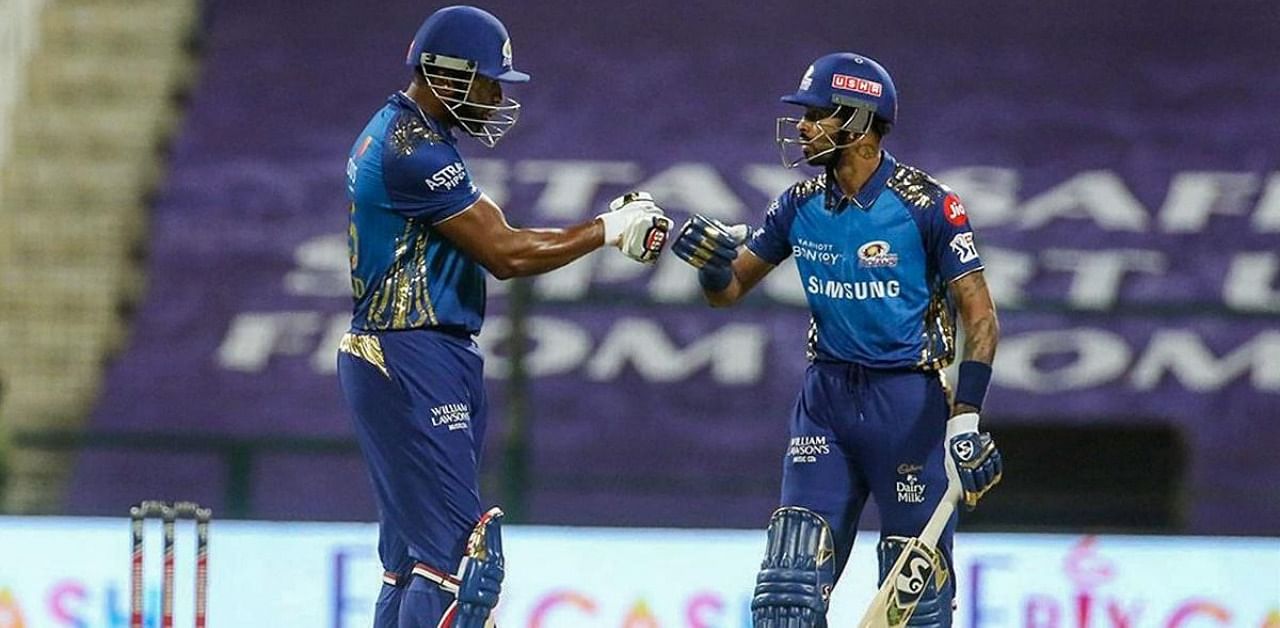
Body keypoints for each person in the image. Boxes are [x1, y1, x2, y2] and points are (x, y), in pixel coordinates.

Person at [337, 6, 671, 627]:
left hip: (397, 352)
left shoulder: (402, 132)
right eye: (490, 80)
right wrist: (608, 229)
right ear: (446, 75)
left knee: (411, 561)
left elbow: (498, 229)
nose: (497, 96)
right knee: (459, 565)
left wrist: (602, 224)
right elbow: (505, 254)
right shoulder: (412, 150)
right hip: (414, 354)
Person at [673, 52, 1003, 627]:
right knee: (787, 597)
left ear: (858, 121)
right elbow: (726, 290)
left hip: (910, 411)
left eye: (816, 114)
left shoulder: (928, 206)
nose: (801, 127)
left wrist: (966, 420)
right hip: (824, 404)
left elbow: (980, 316)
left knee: (914, 611)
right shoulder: (797, 205)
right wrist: (710, 263)